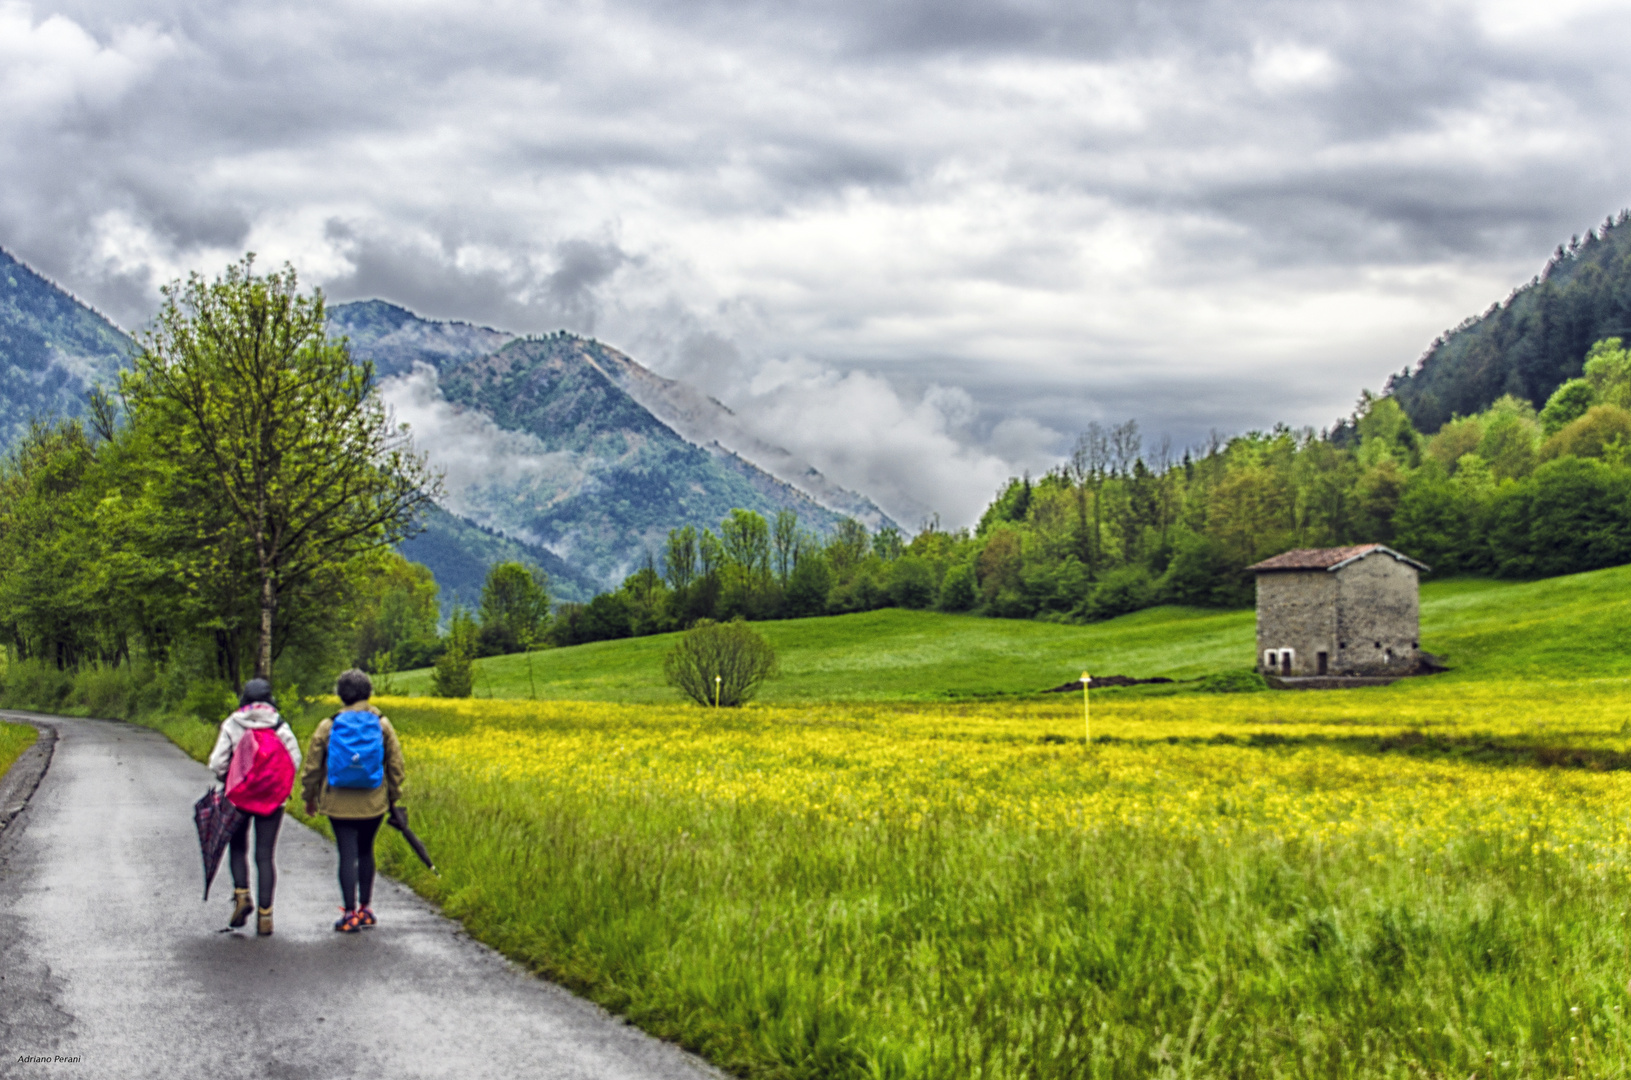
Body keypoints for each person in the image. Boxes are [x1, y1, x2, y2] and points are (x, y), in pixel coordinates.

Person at [301, 669, 405, 933]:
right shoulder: (382, 724)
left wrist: (309, 797)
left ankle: (348, 914)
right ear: (368, 692)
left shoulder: (329, 725)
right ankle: (366, 910)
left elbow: (312, 767)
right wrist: (393, 796)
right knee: (366, 850)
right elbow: (396, 766)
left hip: (338, 802)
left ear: (341, 694)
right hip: (374, 802)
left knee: (346, 854)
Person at [208, 678, 301, 936]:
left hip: (238, 797)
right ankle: (265, 917)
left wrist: (228, 778)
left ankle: (241, 895)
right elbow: (294, 758)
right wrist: (279, 785)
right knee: (265, 855)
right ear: (270, 698)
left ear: (245, 699)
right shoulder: (279, 725)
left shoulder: (233, 723)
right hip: (272, 799)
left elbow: (217, 763)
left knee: (237, 847)